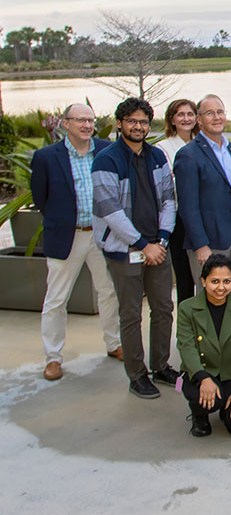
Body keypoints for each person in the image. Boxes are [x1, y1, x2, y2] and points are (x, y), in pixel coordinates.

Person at [92, 97, 180, 398]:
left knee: (164, 308)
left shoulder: (156, 156)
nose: (138, 126)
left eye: (143, 122)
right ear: (120, 124)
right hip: (124, 250)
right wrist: (143, 244)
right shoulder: (107, 160)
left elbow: (169, 199)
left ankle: (161, 365)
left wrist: (162, 239)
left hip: (158, 246)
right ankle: (137, 374)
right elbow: (109, 210)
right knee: (131, 314)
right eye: (131, 121)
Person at [30, 103, 121, 381]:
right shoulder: (46, 157)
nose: (87, 125)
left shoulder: (106, 150)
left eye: (91, 120)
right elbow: (40, 198)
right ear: (65, 124)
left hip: (102, 235)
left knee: (108, 292)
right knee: (56, 299)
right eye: (80, 120)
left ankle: (114, 343)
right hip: (66, 236)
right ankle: (53, 357)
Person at [176, 254, 231, 438]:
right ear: (203, 281)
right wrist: (203, 379)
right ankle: (200, 414)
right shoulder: (187, 308)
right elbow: (186, 346)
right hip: (200, 374)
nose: (221, 287)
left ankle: (225, 406)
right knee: (206, 398)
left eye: (226, 281)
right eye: (215, 281)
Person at [174, 95, 231, 298]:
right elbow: (188, 207)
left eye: (220, 112)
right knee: (212, 299)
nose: (216, 117)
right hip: (210, 241)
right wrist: (201, 245)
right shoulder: (188, 155)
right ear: (199, 120)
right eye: (209, 113)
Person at [158, 98, 198, 304]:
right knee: (184, 278)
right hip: (179, 219)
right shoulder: (163, 148)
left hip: (204, 216)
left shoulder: (202, 143)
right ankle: (185, 332)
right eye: (180, 115)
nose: (186, 119)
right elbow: (169, 185)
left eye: (190, 114)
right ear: (172, 119)